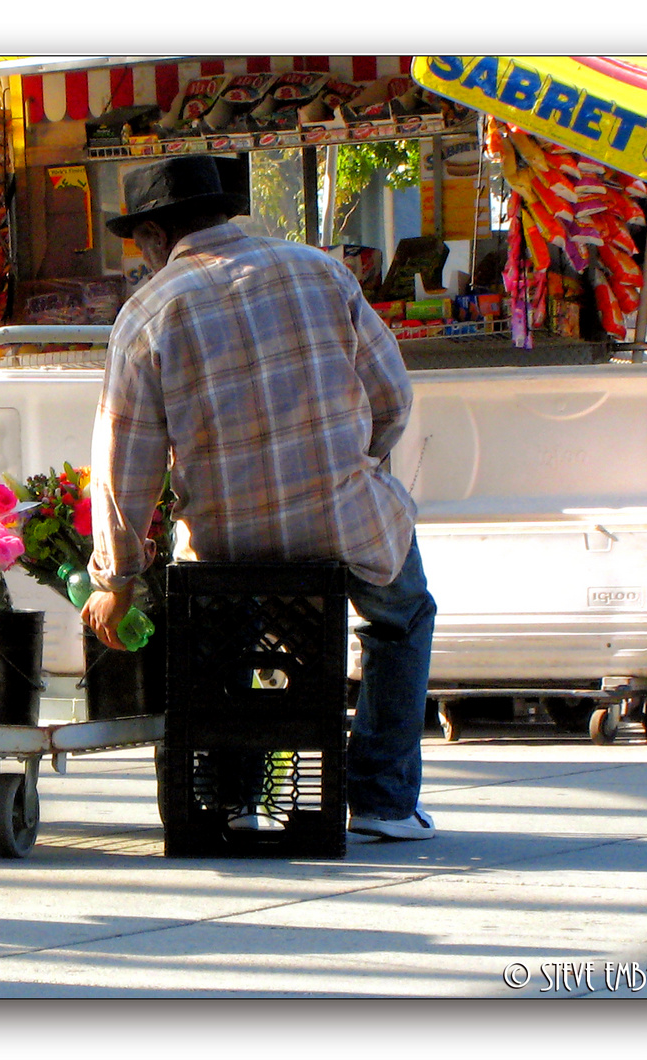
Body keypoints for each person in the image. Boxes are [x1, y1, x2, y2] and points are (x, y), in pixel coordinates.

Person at [80, 155, 438, 841]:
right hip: (346, 522)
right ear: (223, 214)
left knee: (222, 635)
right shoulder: (321, 270)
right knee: (401, 618)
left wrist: (115, 579)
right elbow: (391, 398)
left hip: (227, 541)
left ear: (154, 236)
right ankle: (383, 801)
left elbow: (125, 466)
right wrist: (347, 464)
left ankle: (233, 798)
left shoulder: (148, 311)